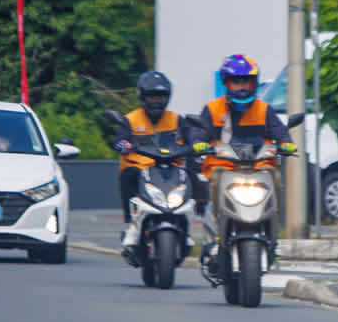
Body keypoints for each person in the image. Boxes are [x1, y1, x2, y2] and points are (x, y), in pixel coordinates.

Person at [191, 54, 296, 250]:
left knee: (275, 175)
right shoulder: (213, 109)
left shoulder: (265, 110)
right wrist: (198, 142)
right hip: (223, 166)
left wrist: (287, 143)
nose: (242, 86)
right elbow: (199, 131)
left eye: (247, 81)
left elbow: (280, 131)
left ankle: (273, 232)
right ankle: (216, 228)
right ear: (226, 83)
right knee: (215, 179)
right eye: (236, 81)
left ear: (254, 82)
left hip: (258, 167)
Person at [112, 71, 190, 261]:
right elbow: (118, 141)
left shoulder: (176, 119)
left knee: (192, 174)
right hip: (140, 170)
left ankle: (188, 223)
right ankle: (131, 225)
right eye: (152, 96)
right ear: (142, 97)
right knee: (127, 175)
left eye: (161, 96)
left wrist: (197, 145)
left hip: (170, 168)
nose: (156, 101)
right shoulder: (130, 119)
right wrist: (125, 145)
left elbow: (192, 139)